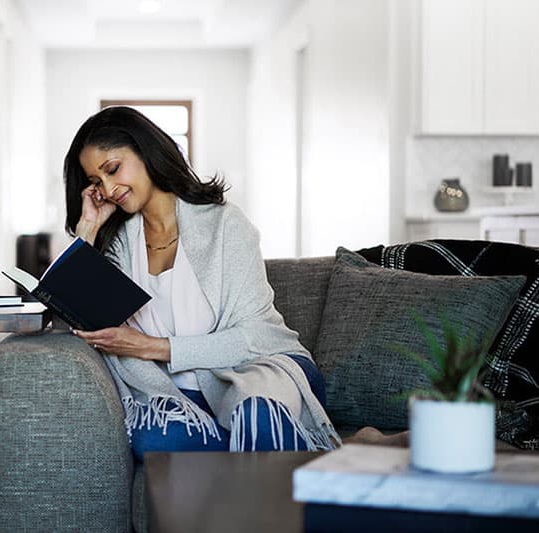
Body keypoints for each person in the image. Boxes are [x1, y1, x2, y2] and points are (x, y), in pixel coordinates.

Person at [63, 106, 340, 461]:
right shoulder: (118, 242)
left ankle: (262, 464)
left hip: (260, 372)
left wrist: (152, 347)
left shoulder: (225, 225)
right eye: (97, 182)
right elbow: (74, 312)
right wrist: (88, 228)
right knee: (159, 440)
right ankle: (284, 455)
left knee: (258, 416)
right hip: (178, 392)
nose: (110, 188)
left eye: (113, 169)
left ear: (145, 150)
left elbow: (256, 338)